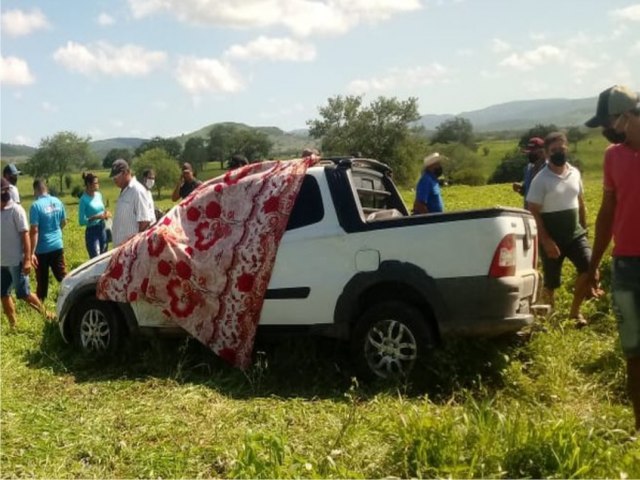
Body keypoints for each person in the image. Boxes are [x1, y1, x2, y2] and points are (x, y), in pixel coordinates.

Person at [583, 84, 640, 431]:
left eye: (609, 123)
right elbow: (607, 212)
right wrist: (593, 266)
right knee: (634, 354)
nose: (608, 131)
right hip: (626, 267)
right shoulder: (612, 157)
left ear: (626, 116)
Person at [525, 131, 590, 325]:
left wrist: (585, 230)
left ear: (566, 148)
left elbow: (581, 202)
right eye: (554, 150)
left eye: (561, 149)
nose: (558, 153)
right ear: (546, 154)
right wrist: (545, 240)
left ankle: (575, 312)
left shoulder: (575, 173)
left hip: (575, 234)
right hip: (552, 237)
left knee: (588, 267)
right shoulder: (540, 180)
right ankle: (548, 315)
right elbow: (533, 211)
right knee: (552, 281)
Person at [1, 179, 52, 327]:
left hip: (17, 261)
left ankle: (48, 315)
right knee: (3, 294)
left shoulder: (16, 210)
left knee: (24, 294)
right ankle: (13, 325)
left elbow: (25, 234)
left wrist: (28, 259)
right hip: (2, 262)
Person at [29, 178, 67, 301]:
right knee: (63, 277)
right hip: (57, 245)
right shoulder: (58, 201)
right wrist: (56, 233)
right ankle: (72, 295)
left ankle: (42, 306)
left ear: (35, 190)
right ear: (46, 188)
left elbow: (34, 231)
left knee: (42, 281)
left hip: (42, 249)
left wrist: (31, 252)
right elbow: (63, 222)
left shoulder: (35, 206)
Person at [110, 159, 155, 246]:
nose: (114, 180)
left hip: (130, 250)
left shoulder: (137, 191)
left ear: (125, 172)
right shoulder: (124, 191)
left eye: (116, 176)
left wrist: (134, 246)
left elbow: (144, 222)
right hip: (120, 249)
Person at [79, 172, 110, 258]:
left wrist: (106, 214)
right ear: (89, 184)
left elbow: (102, 210)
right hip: (92, 232)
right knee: (95, 258)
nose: (98, 185)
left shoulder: (98, 195)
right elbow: (81, 221)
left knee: (104, 256)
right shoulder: (83, 200)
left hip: (102, 228)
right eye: (95, 183)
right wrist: (96, 217)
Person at [512, 137, 546, 206]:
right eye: (529, 152)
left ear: (542, 152)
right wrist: (520, 188)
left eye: (532, 152)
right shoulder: (528, 168)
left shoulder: (549, 169)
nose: (529, 155)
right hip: (528, 212)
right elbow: (526, 191)